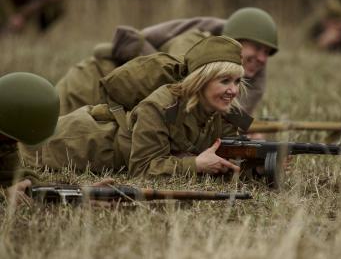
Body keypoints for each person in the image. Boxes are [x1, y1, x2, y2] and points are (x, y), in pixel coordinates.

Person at [20, 36, 252, 178]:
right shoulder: (161, 106)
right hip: (79, 142)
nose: (233, 90)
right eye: (224, 81)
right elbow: (142, 170)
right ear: (200, 81)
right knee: (18, 149)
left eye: (237, 81)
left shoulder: (226, 112)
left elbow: (229, 157)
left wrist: (263, 160)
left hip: (103, 149)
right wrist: (195, 165)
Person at [56, 7, 279, 115]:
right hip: (90, 84)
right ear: (234, 39)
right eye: (257, 48)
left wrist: (247, 129)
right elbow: (184, 98)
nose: (261, 58)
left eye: (267, 53)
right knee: (37, 140)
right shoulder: (194, 45)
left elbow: (224, 116)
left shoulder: (233, 72)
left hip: (114, 104)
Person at [0, 72, 59, 204]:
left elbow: (13, 178)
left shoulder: (5, 141)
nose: (14, 144)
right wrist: (4, 195)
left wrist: (84, 192)